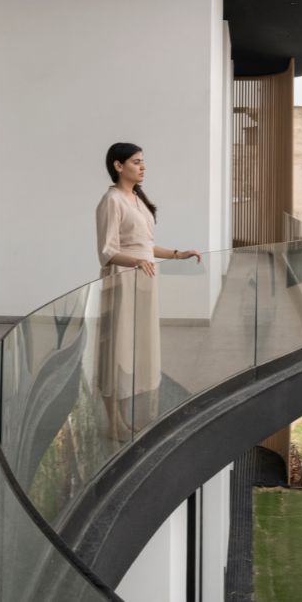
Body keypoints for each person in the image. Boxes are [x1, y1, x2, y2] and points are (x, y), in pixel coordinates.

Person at [95, 142, 200, 441]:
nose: (142, 167)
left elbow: (145, 245)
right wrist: (138, 262)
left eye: (143, 161)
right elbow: (107, 252)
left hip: (144, 280)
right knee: (117, 348)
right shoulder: (111, 201)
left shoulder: (138, 198)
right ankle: (113, 422)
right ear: (118, 166)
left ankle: (123, 418)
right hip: (122, 280)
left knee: (135, 347)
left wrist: (178, 254)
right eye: (136, 162)